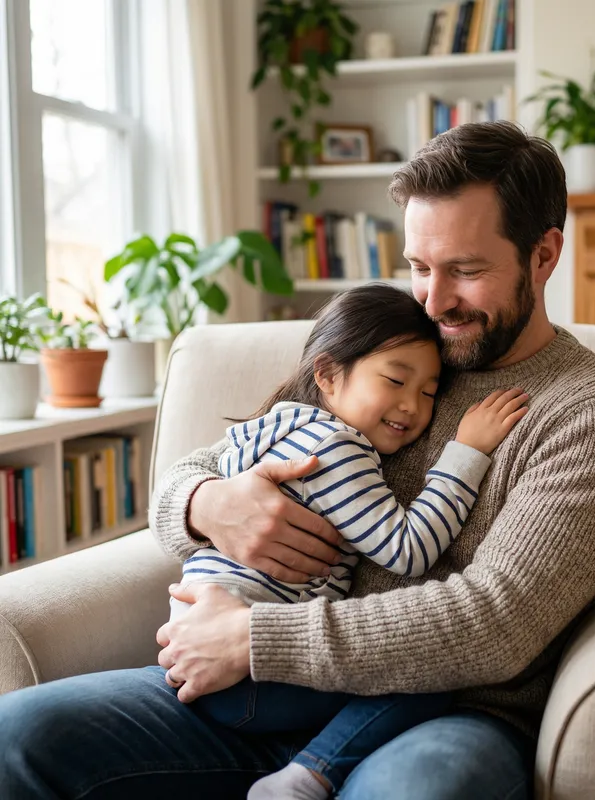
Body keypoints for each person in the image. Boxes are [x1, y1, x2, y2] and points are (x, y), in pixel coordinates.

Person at [0, 120, 595, 800]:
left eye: (465, 271)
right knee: (18, 734)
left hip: (437, 713)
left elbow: (494, 624)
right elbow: (195, 472)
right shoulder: (394, 350)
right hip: (255, 688)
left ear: (544, 255)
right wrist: (209, 506)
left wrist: (254, 637)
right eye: (419, 267)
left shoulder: (591, 415)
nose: (434, 302)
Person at [171, 283, 528, 800]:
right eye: (395, 380)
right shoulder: (335, 449)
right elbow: (408, 549)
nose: (411, 405)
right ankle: (310, 774)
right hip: (244, 673)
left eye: (429, 392)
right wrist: (466, 453)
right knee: (431, 671)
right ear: (327, 374)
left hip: (207, 661)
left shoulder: (279, 426)